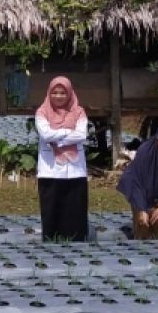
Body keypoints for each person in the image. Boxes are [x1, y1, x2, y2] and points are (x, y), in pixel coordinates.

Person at [34, 76, 90, 242]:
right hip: (50, 170)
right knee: (51, 207)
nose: (59, 96)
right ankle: (52, 241)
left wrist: (57, 137)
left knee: (74, 208)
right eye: (55, 93)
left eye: (63, 93)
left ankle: (76, 241)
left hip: (75, 171)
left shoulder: (79, 112)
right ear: (49, 94)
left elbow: (82, 135)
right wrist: (68, 133)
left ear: (70, 93)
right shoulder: (42, 112)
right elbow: (45, 134)